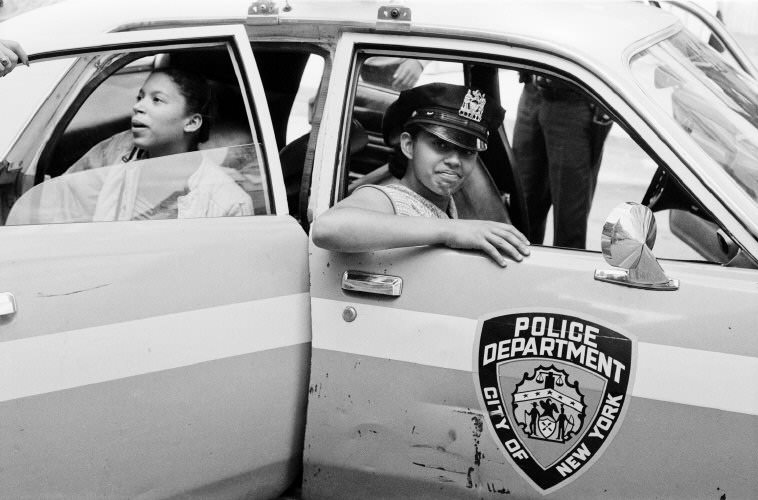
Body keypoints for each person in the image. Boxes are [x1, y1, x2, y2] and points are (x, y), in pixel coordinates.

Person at [312, 82, 530, 267]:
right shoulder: (394, 199)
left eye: (467, 151)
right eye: (441, 144)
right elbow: (328, 228)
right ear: (408, 145)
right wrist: (450, 230)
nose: (455, 160)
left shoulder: (448, 201)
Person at [66, 67, 253, 219]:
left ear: (191, 122)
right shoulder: (115, 151)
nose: (138, 106)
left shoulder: (229, 203)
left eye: (157, 100)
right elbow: (61, 203)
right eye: (140, 97)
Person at [512, 72, 613, 249]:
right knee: (521, 210)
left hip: (574, 97)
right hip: (533, 88)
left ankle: (564, 275)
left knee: (569, 220)